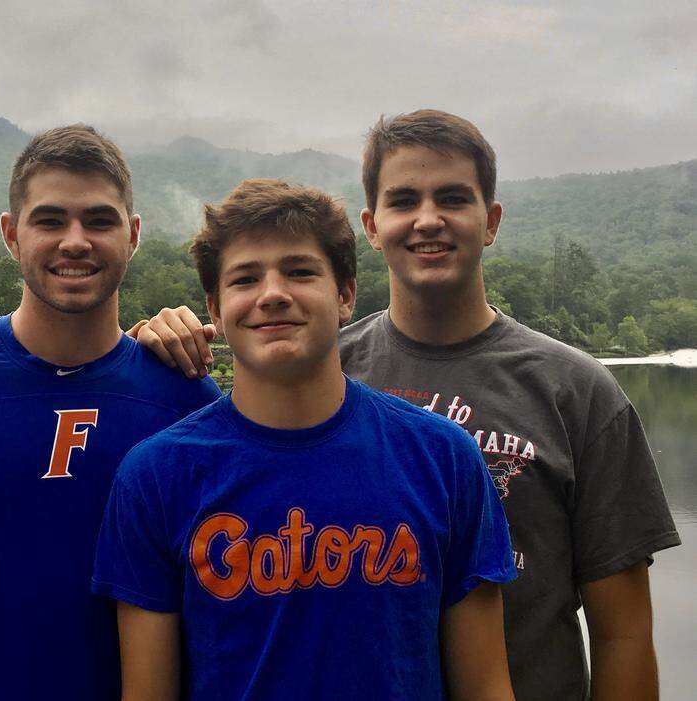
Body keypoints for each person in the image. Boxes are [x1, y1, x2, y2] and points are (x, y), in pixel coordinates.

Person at [134, 110, 680, 701]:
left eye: (453, 198)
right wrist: (146, 356)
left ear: (492, 221)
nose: (428, 220)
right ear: (372, 226)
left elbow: (624, 636)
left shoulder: (576, 391)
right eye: (403, 201)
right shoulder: (315, 368)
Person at [95, 178, 517, 700]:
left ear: (345, 295)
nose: (273, 294)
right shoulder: (155, 476)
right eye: (245, 278)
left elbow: (485, 686)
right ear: (216, 311)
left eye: (299, 272)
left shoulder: (443, 457)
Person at [0, 125, 220, 699]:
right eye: (50, 220)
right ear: (12, 234)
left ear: (134, 235)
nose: (75, 241)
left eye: (100, 221)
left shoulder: (187, 401)